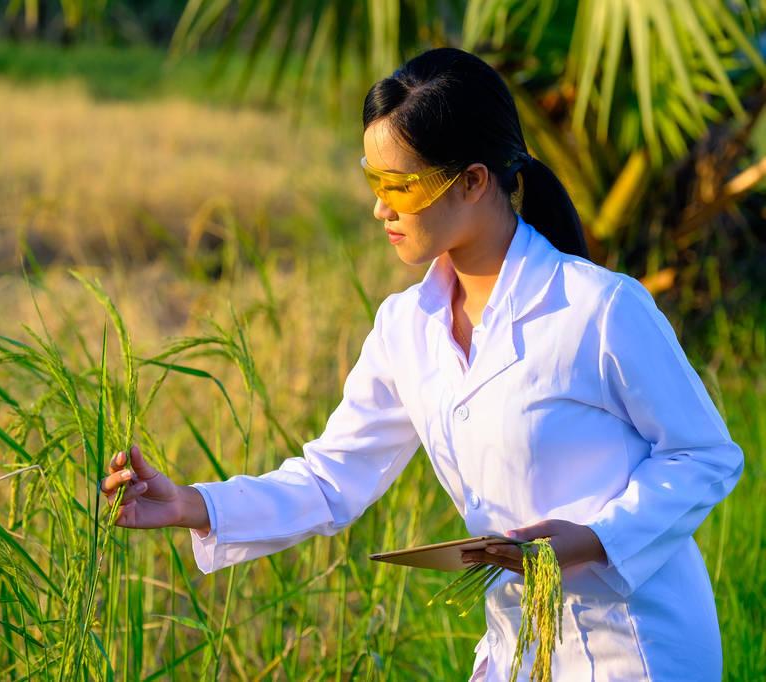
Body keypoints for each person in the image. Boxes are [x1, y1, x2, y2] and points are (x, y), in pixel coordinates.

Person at [100, 47, 744, 681]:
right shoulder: (406, 327)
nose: (381, 208)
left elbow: (706, 455)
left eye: (399, 185)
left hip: (635, 648)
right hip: (517, 648)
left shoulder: (598, 308)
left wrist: (590, 539)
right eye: (372, 180)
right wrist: (190, 504)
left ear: (471, 180)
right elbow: (331, 480)